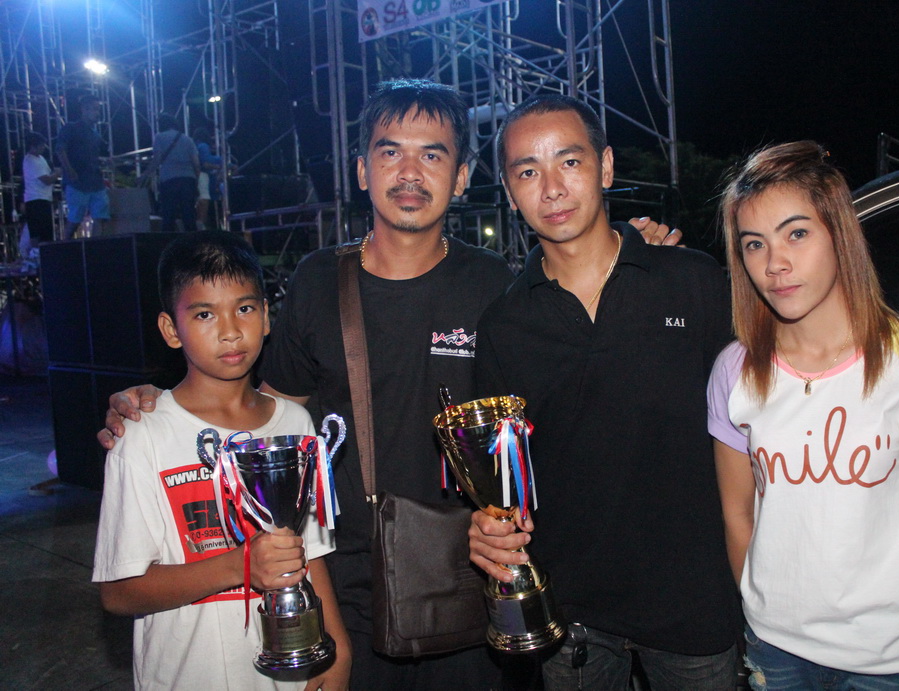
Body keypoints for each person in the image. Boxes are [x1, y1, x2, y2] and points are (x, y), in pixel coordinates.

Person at [97, 80, 681, 690]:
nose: (409, 173)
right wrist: (166, 406)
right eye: (390, 151)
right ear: (361, 170)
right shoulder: (318, 281)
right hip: (349, 589)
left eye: (432, 154)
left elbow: (568, 381)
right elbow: (266, 419)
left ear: (461, 177)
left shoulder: (495, 286)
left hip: (472, 581)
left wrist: (636, 254)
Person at [468, 94, 740, 690]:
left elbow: (748, 433)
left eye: (570, 162)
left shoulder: (692, 281)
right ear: (510, 192)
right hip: (572, 618)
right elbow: (502, 479)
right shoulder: (504, 325)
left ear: (606, 167)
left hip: (695, 605)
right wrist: (489, 525)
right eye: (527, 172)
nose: (552, 189)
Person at [707, 141, 899, 689]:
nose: (774, 263)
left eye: (796, 234)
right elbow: (737, 512)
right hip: (777, 651)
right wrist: (760, 608)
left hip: (895, 661)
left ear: (839, 235)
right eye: (754, 244)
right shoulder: (735, 369)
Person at [91, 230, 350, 690]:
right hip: (188, 674)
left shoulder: (295, 423)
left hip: (288, 677)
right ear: (171, 330)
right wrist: (238, 566)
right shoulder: (142, 434)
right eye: (205, 314)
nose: (230, 331)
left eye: (244, 309)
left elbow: (309, 552)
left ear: (267, 316)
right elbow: (118, 591)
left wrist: (337, 646)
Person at [55, 94, 109, 238]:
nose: (97, 113)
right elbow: (60, 150)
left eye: (98, 109)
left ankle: (96, 247)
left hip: (95, 181)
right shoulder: (71, 128)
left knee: (100, 216)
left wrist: (102, 162)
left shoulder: (95, 134)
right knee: (75, 219)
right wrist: (69, 170)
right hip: (77, 182)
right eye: (95, 109)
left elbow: (94, 156)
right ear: (84, 109)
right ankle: (65, 246)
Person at [143, 113, 200, 232]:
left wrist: (145, 175)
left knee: (168, 214)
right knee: (189, 214)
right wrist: (196, 180)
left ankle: (168, 241)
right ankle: (193, 240)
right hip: (188, 179)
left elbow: (157, 160)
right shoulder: (187, 139)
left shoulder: (159, 137)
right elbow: (196, 163)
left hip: (169, 179)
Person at [20, 131, 61, 257]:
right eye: (41, 145)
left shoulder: (41, 159)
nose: (44, 147)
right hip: (35, 199)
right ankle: (35, 256)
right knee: (37, 231)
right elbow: (47, 180)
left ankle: (44, 255)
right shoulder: (30, 161)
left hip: (44, 198)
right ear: (33, 146)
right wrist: (58, 173)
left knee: (46, 231)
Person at [194, 126, 222, 229]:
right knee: (205, 202)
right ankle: (202, 227)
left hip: (195, 177)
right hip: (204, 178)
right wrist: (220, 162)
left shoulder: (195, 146)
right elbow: (206, 163)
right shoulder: (203, 146)